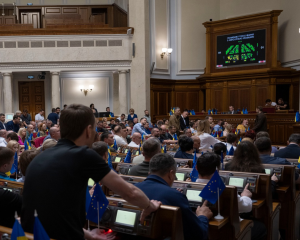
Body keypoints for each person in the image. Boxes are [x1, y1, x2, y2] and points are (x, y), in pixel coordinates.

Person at [21, 104, 161, 240]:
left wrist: (90, 235)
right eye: (94, 128)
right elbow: (129, 192)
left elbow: (53, 213)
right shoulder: (83, 154)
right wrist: (149, 205)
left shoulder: (41, 157)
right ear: (88, 130)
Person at [135, 153, 213, 240]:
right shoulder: (176, 196)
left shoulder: (134, 189)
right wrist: (203, 216)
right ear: (171, 174)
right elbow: (199, 234)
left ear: (150, 172)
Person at [197, 152, 267, 240]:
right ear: (217, 170)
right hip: (228, 232)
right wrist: (246, 196)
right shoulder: (225, 190)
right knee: (261, 228)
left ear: (196, 168)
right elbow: (246, 207)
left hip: (204, 231)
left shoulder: (190, 186)